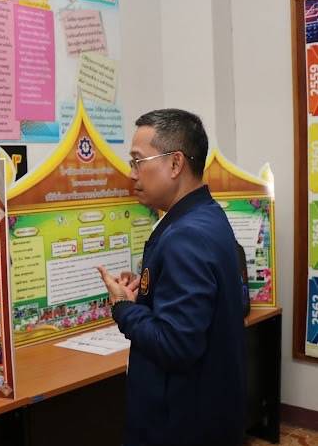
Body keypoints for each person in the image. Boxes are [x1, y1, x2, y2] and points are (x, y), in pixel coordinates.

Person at [97, 110, 246, 446]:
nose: (131, 173)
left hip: (180, 422)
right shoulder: (207, 216)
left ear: (176, 163)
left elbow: (175, 345)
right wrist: (146, 295)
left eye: (138, 161)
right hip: (210, 411)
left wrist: (123, 308)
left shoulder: (185, 236)